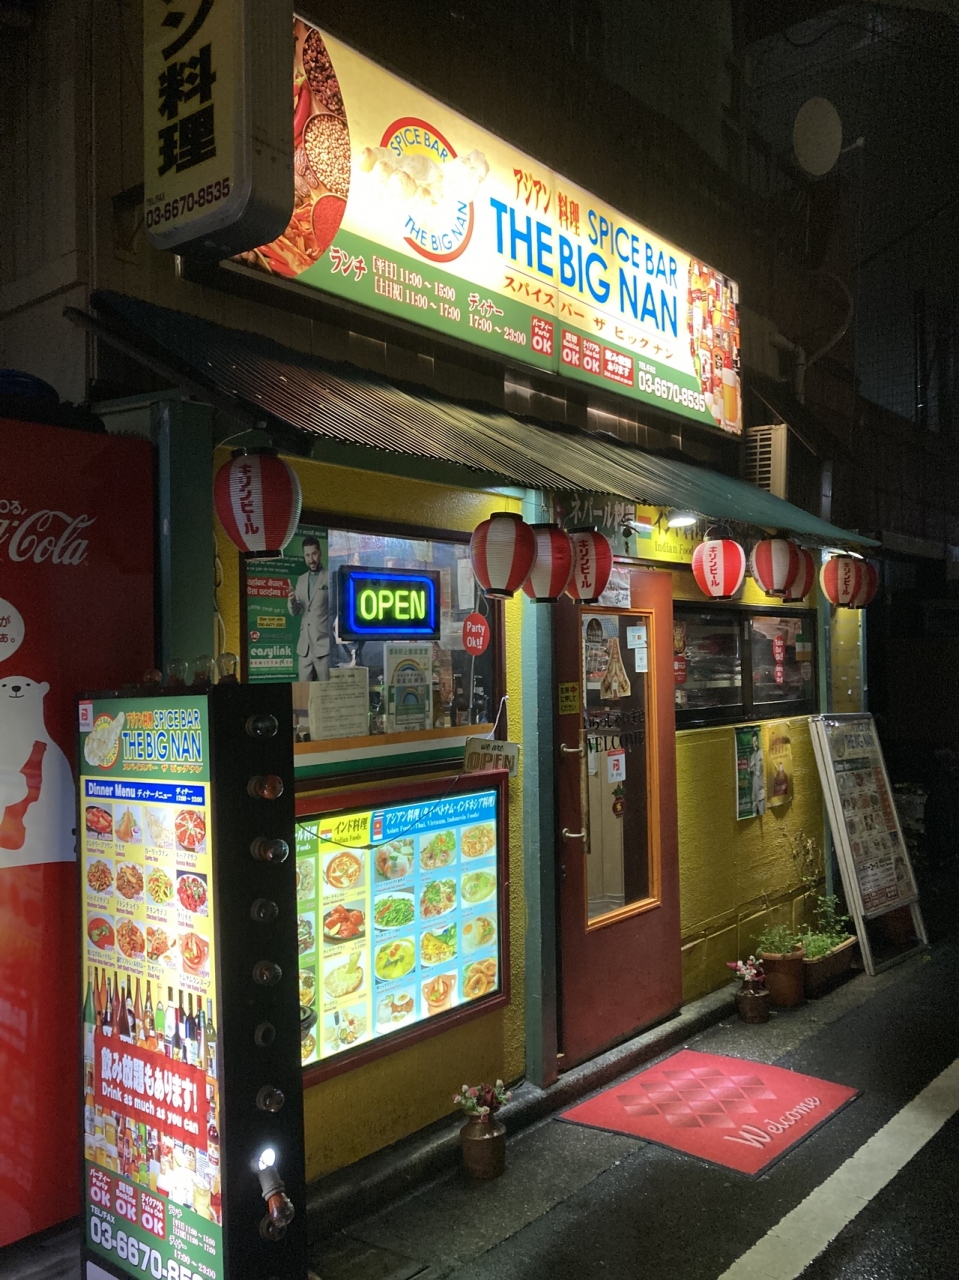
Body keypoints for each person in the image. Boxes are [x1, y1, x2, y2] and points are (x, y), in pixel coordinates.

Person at [288, 535, 330, 681]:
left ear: (320, 553)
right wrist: (292, 600)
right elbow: (295, 612)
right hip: (304, 648)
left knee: (325, 690)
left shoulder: (329, 577)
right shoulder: (301, 580)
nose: (311, 559)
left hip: (323, 646)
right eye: (307, 555)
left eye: (314, 554)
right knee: (303, 692)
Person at [750, 730, 766, 816]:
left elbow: (760, 772)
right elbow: (752, 776)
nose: (755, 744)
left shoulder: (762, 753)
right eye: (753, 742)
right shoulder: (752, 756)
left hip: (762, 793)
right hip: (755, 794)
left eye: (756, 741)